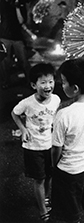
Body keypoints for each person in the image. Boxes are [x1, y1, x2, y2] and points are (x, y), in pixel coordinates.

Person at [51, 58, 84, 223]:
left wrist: (54, 166)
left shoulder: (63, 115)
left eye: (63, 82)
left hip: (68, 172)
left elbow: (56, 149)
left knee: (69, 214)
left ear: (74, 88)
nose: (61, 85)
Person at [11, 63, 61, 222]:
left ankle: (46, 197)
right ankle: (42, 210)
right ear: (34, 85)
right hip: (33, 147)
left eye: (51, 81)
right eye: (43, 82)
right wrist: (23, 130)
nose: (48, 86)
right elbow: (15, 113)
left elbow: (55, 118)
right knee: (39, 178)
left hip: (50, 145)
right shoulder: (27, 103)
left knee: (49, 175)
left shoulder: (56, 100)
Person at [0, 0, 30, 88]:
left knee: (24, 61)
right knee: (4, 62)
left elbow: (21, 20)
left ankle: (30, 81)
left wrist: (17, 7)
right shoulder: (3, 4)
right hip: (4, 37)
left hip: (17, 38)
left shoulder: (21, 7)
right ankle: (5, 82)